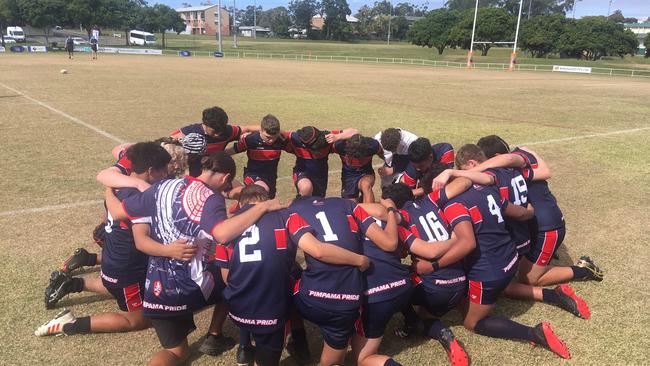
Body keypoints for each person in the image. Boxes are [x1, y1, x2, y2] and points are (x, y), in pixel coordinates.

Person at [103, 152, 286, 366]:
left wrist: (108, 189)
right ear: (225, 178)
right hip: (188, 288)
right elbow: (222, 233)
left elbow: (116, 212)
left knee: (175, 352)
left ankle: (210, 337)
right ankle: (215, 334)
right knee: (233, 277)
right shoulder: (211, 197)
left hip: (157, 291)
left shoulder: (162, 187)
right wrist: (263, 206)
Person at [216, 185, 370, 366]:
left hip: (238, 310)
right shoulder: (286, 216)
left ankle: (245, 346)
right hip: (271, 311)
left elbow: (227, 278)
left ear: (241, 204)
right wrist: (359, 260)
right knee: (294, 275)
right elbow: (317, 250)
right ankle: (298, 339)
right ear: (266, 200)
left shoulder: (229, 227)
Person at [432, 146, 592, 319]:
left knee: (526, 280)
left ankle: (583, 271)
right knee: (507, 276)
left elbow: (493, 184)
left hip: (542, 230)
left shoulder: (492, 177)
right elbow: (540, 171)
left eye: (463, 171)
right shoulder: (513, 170)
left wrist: (453, 174)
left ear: (472, 163)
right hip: (524, 232)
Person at [431, 167, 571, 360]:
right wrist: (530, 211)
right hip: (511, 257)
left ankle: (534, 333)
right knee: (500, 287)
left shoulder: (452, 206)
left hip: (489, 271)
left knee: (472, 322)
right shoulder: (486, 189)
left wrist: (434, 266)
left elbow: (464, 244)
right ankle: (552, 295)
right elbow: (521, 213)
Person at [37, 142, 174, 336]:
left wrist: (108, 189)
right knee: (137, 319)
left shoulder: (119, 183)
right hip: (126, 269)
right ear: (151, 171)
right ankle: (68, 324)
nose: (165, 176)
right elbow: (125, 217)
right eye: (163, 172)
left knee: (116, 285)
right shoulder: (141, 197)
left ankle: (72, 283)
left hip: (114, 259)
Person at [469, 136, 603, 287]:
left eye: (486, 161)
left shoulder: (512, 163)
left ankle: (584, 270)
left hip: (547, 229)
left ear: (496, 157)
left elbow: (511, 160)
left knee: (529, 279)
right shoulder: (520, 159)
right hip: (536, 224)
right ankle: (540, 254)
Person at [290, 195, 398, 366]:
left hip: (310, 299)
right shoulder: (349, 205)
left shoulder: (292, 210)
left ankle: (297, 339)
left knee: (284, 281)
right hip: (347, 302)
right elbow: (390, 243)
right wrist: (391, 210)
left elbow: (316, 251)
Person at [380, 180, 472, 366]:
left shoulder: (401, 220)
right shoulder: (431, 200)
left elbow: (430, 252)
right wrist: (456, 239)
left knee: (395, 284)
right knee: (424, 309)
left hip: (436, 287)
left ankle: (414, 324)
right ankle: (427, 322)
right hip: (460, 281)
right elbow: (465, 182)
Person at [170, 106, 259, 178]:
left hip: (214, 175)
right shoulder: (186, 134)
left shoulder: (226, 131)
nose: (218, 134)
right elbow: (166, 149)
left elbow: (248, 128)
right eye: (214, 131)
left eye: (221, 130)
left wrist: (267, 131)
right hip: (189, 177)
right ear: (205, 124)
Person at [226, 114, 292, 199]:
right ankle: (245, 202)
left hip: (271, 178)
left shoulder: (281, 140)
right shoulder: (250, 140)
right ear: (260, 130)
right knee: (262, 191)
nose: (271, 140)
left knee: (267, 199)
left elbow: (294, 147)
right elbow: (233, 150)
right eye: (268, 137)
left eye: (274, 137)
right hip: (252, 174)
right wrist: (213, 155)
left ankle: (243, 202)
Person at [286, 125, 357, 197]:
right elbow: (279, 134)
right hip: (302, 172)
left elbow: (354, 132)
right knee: (306, 188)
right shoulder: (296, 139)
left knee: (317, 200)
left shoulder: (327, 137)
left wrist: (337, 136)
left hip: (320, 176)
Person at [333, 133, 384, 203]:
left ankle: (369, 213)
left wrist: (391, 167)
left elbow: (383, 155)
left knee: (366, 184)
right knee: (351, 205)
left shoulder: (373, 146)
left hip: (366, 173)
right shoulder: (339, 146)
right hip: (348, 177)